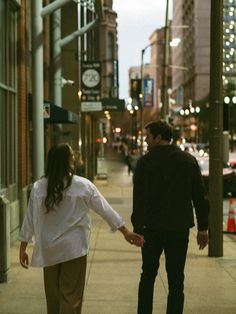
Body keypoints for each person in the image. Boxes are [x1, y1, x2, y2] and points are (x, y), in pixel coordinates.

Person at [19, 143, 144, 314]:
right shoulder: (83, 185)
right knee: (71, 297)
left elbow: (29, 219)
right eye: (72, 155)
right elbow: (105, 209)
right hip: (73, 249)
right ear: (67, 160)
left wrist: (23, 246)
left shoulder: (39, 187)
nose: (75, 156)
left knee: (53, 297)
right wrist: (125, 231)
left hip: (49, 249)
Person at [131, 120, 209, 314]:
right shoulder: (188, 161)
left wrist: (138, 229)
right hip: (178, 229)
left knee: (147, 275)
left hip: (151, 229)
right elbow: (200, 197)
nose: (146, 140)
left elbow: (139, 199)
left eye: (148, 136)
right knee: (176, 279)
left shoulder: (145, 163)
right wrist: (203, 228)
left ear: (158, 138)